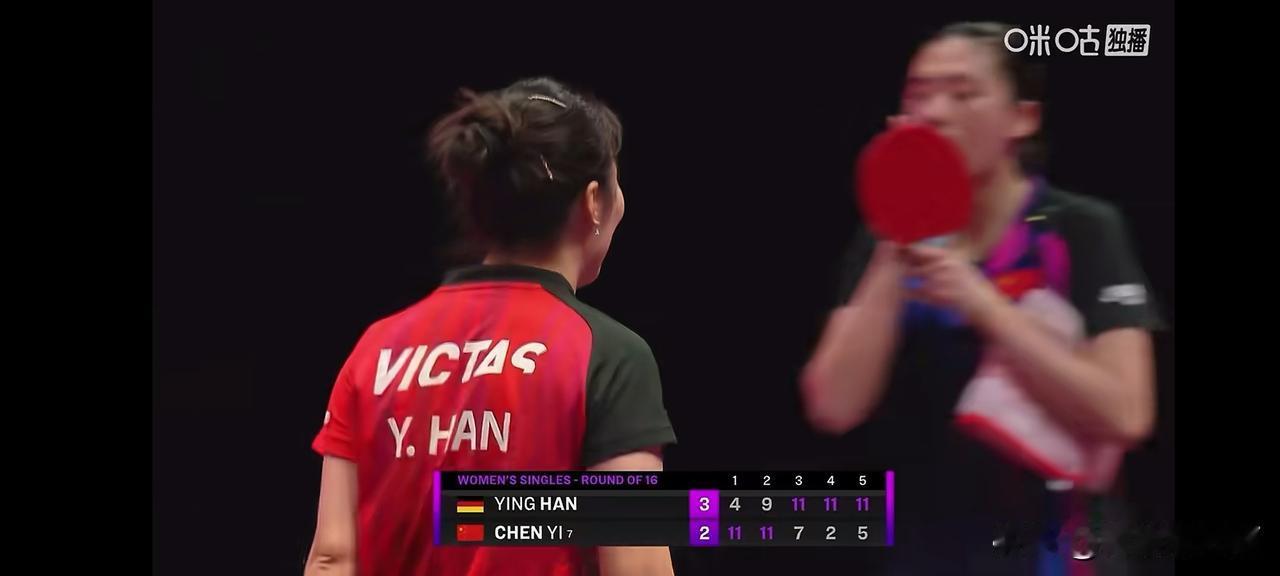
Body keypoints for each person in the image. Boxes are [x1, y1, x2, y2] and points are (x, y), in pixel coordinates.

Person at [801, 22, 1162, 574]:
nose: (935, 112)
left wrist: (986, 307)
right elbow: (833, 406)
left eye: (963, 94)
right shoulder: (883, 245)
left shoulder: (1081, 229)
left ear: (1022, 117)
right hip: (926, 555)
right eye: (919, 95)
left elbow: (1126, 413)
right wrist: (898, 234)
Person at [304, 77, 677, 576]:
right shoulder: (608, 355)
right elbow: (638, 565)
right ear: (593, 201)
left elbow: (331, 558)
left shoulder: (377, 350)